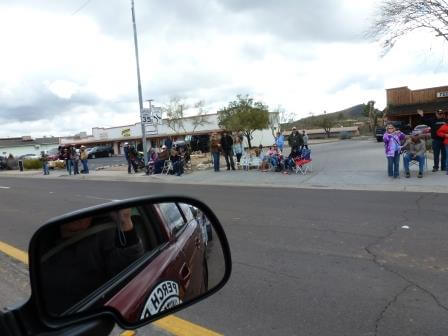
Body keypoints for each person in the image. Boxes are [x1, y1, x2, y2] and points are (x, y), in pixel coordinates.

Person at [40, 208, 144, 315]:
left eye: (83, 207)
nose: (77, 213)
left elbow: (130, 269)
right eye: (71, 206)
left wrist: (125, 223)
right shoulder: (45, 235)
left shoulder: (105, 235)